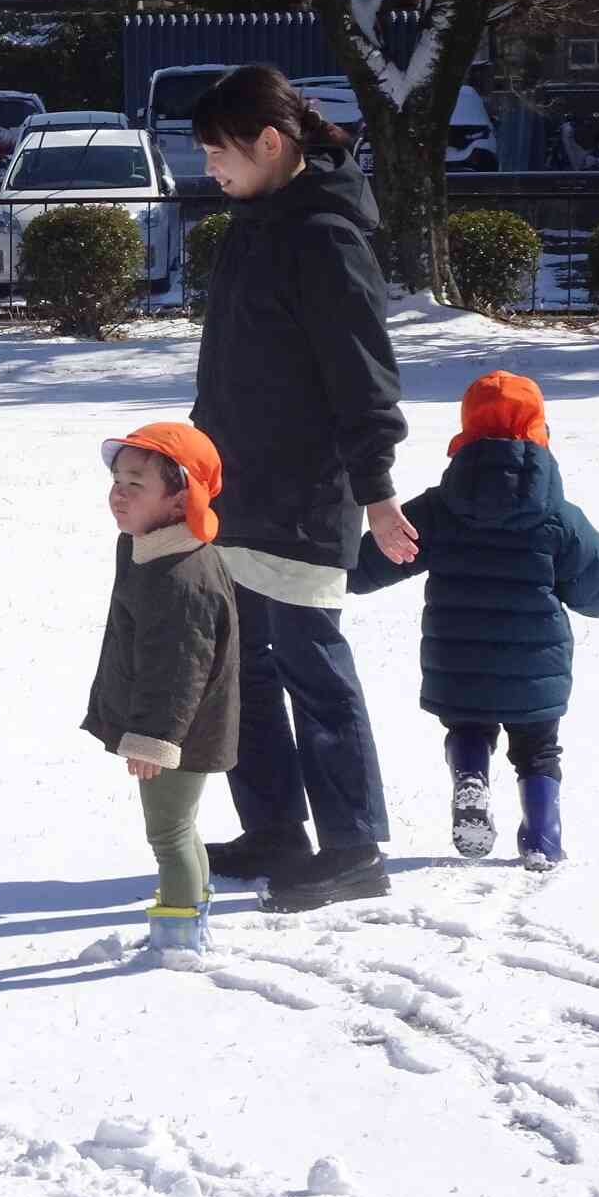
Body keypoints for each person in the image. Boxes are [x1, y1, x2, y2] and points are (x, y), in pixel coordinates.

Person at [188, 65, 414, 912]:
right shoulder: (255, 223)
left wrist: (378, 489)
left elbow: (363, 376)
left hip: (304, 493)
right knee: (238, 669)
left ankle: (353, 847)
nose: (208, 166)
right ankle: (275, 828)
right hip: (236, 488)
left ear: (270, 144)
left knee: (314, 668)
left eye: (219, 151)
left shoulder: (325, 236)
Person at [349, 371, 599, 869]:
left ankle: (471, 775)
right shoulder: (558, 516)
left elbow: (369, 564)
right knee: (538, 750)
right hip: (535, 665)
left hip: (459, 659)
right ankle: (542, 837)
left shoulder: (438, 508)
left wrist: (332, 570)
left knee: (469, 727)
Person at [81, 422, 240, 955]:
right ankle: (192, 918)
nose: (118, 494)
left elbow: (179, 668)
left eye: (136, 484)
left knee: (167, 833)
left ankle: (175, 941)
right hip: (171, 720)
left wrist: (151, 737)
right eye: (116, 480)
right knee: (180, 826)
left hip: (179, 727)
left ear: (180, 499)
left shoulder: (181, 577)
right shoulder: (144, 547)